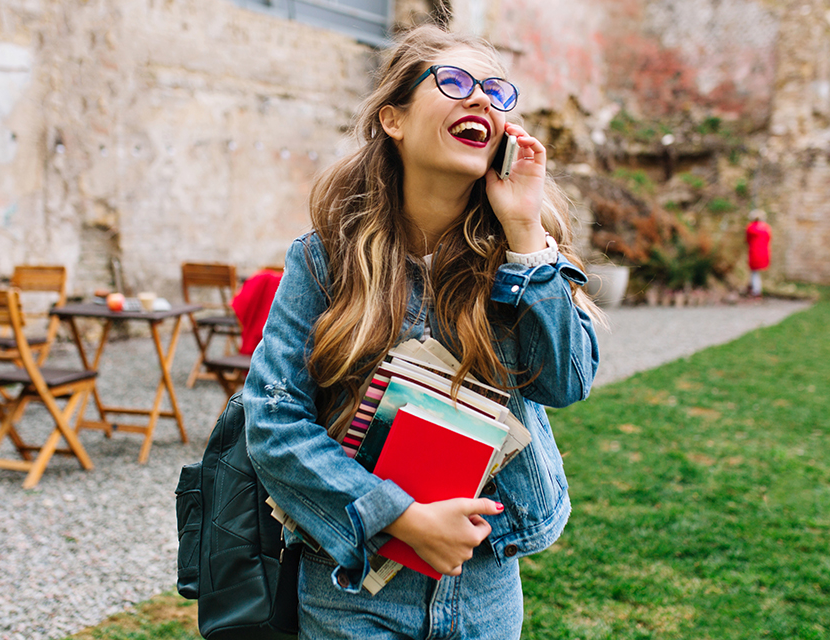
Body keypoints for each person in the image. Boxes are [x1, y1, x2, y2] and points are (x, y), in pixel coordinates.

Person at [241, 25, 602, 638]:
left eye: (496, 90)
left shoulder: (523, 259)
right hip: (351, 586)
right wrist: (401, 518)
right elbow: (273, 421)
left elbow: (567, 382)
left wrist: (523, 236)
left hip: (484, 585)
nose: (482, 99)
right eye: (457, 83)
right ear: (394, 120)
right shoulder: (324, 258)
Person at [745, 209, 772, 297]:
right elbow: (769, 239)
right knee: (756, 272)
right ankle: (755, 288)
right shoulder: (766, 228)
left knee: (754, 272)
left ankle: (756, 290)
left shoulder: (750, 228)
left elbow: (747, 240)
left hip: (754, 252)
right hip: (764, 252)